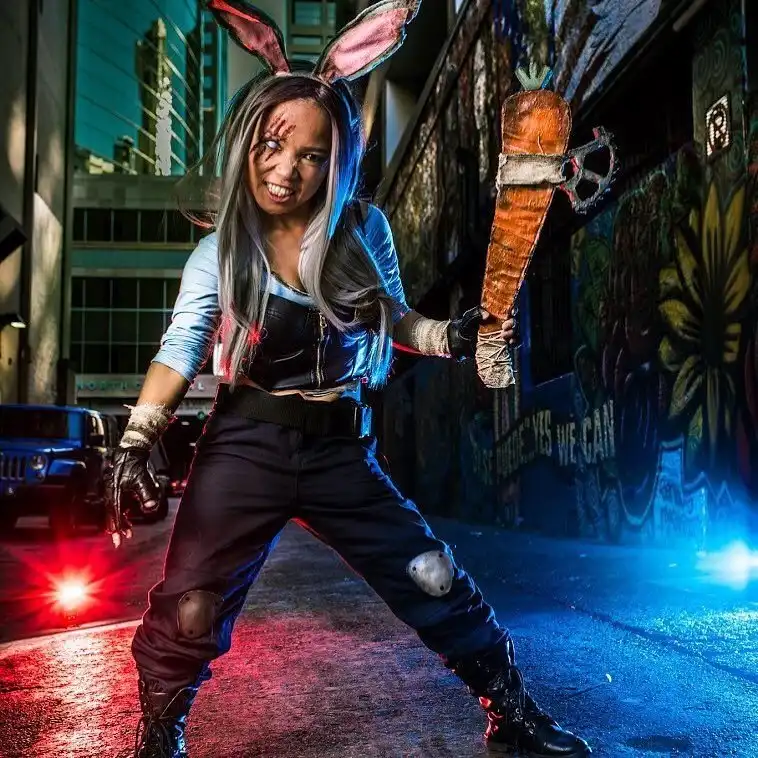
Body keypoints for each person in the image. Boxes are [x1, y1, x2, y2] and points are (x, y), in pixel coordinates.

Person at [108, 2, 591, 757]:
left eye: (311, 155)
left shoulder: (365, 229)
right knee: (192, 606)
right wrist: (137, 439)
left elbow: (396, 319)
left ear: (335, 162)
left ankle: (512, 716)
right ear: (247, 141)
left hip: (341, 448)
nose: (286, 170)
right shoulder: (220, 252)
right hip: (245, 443)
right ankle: (160, 734)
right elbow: (180, 350)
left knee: (430, 575)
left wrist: (452, 337)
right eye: (273, 145)